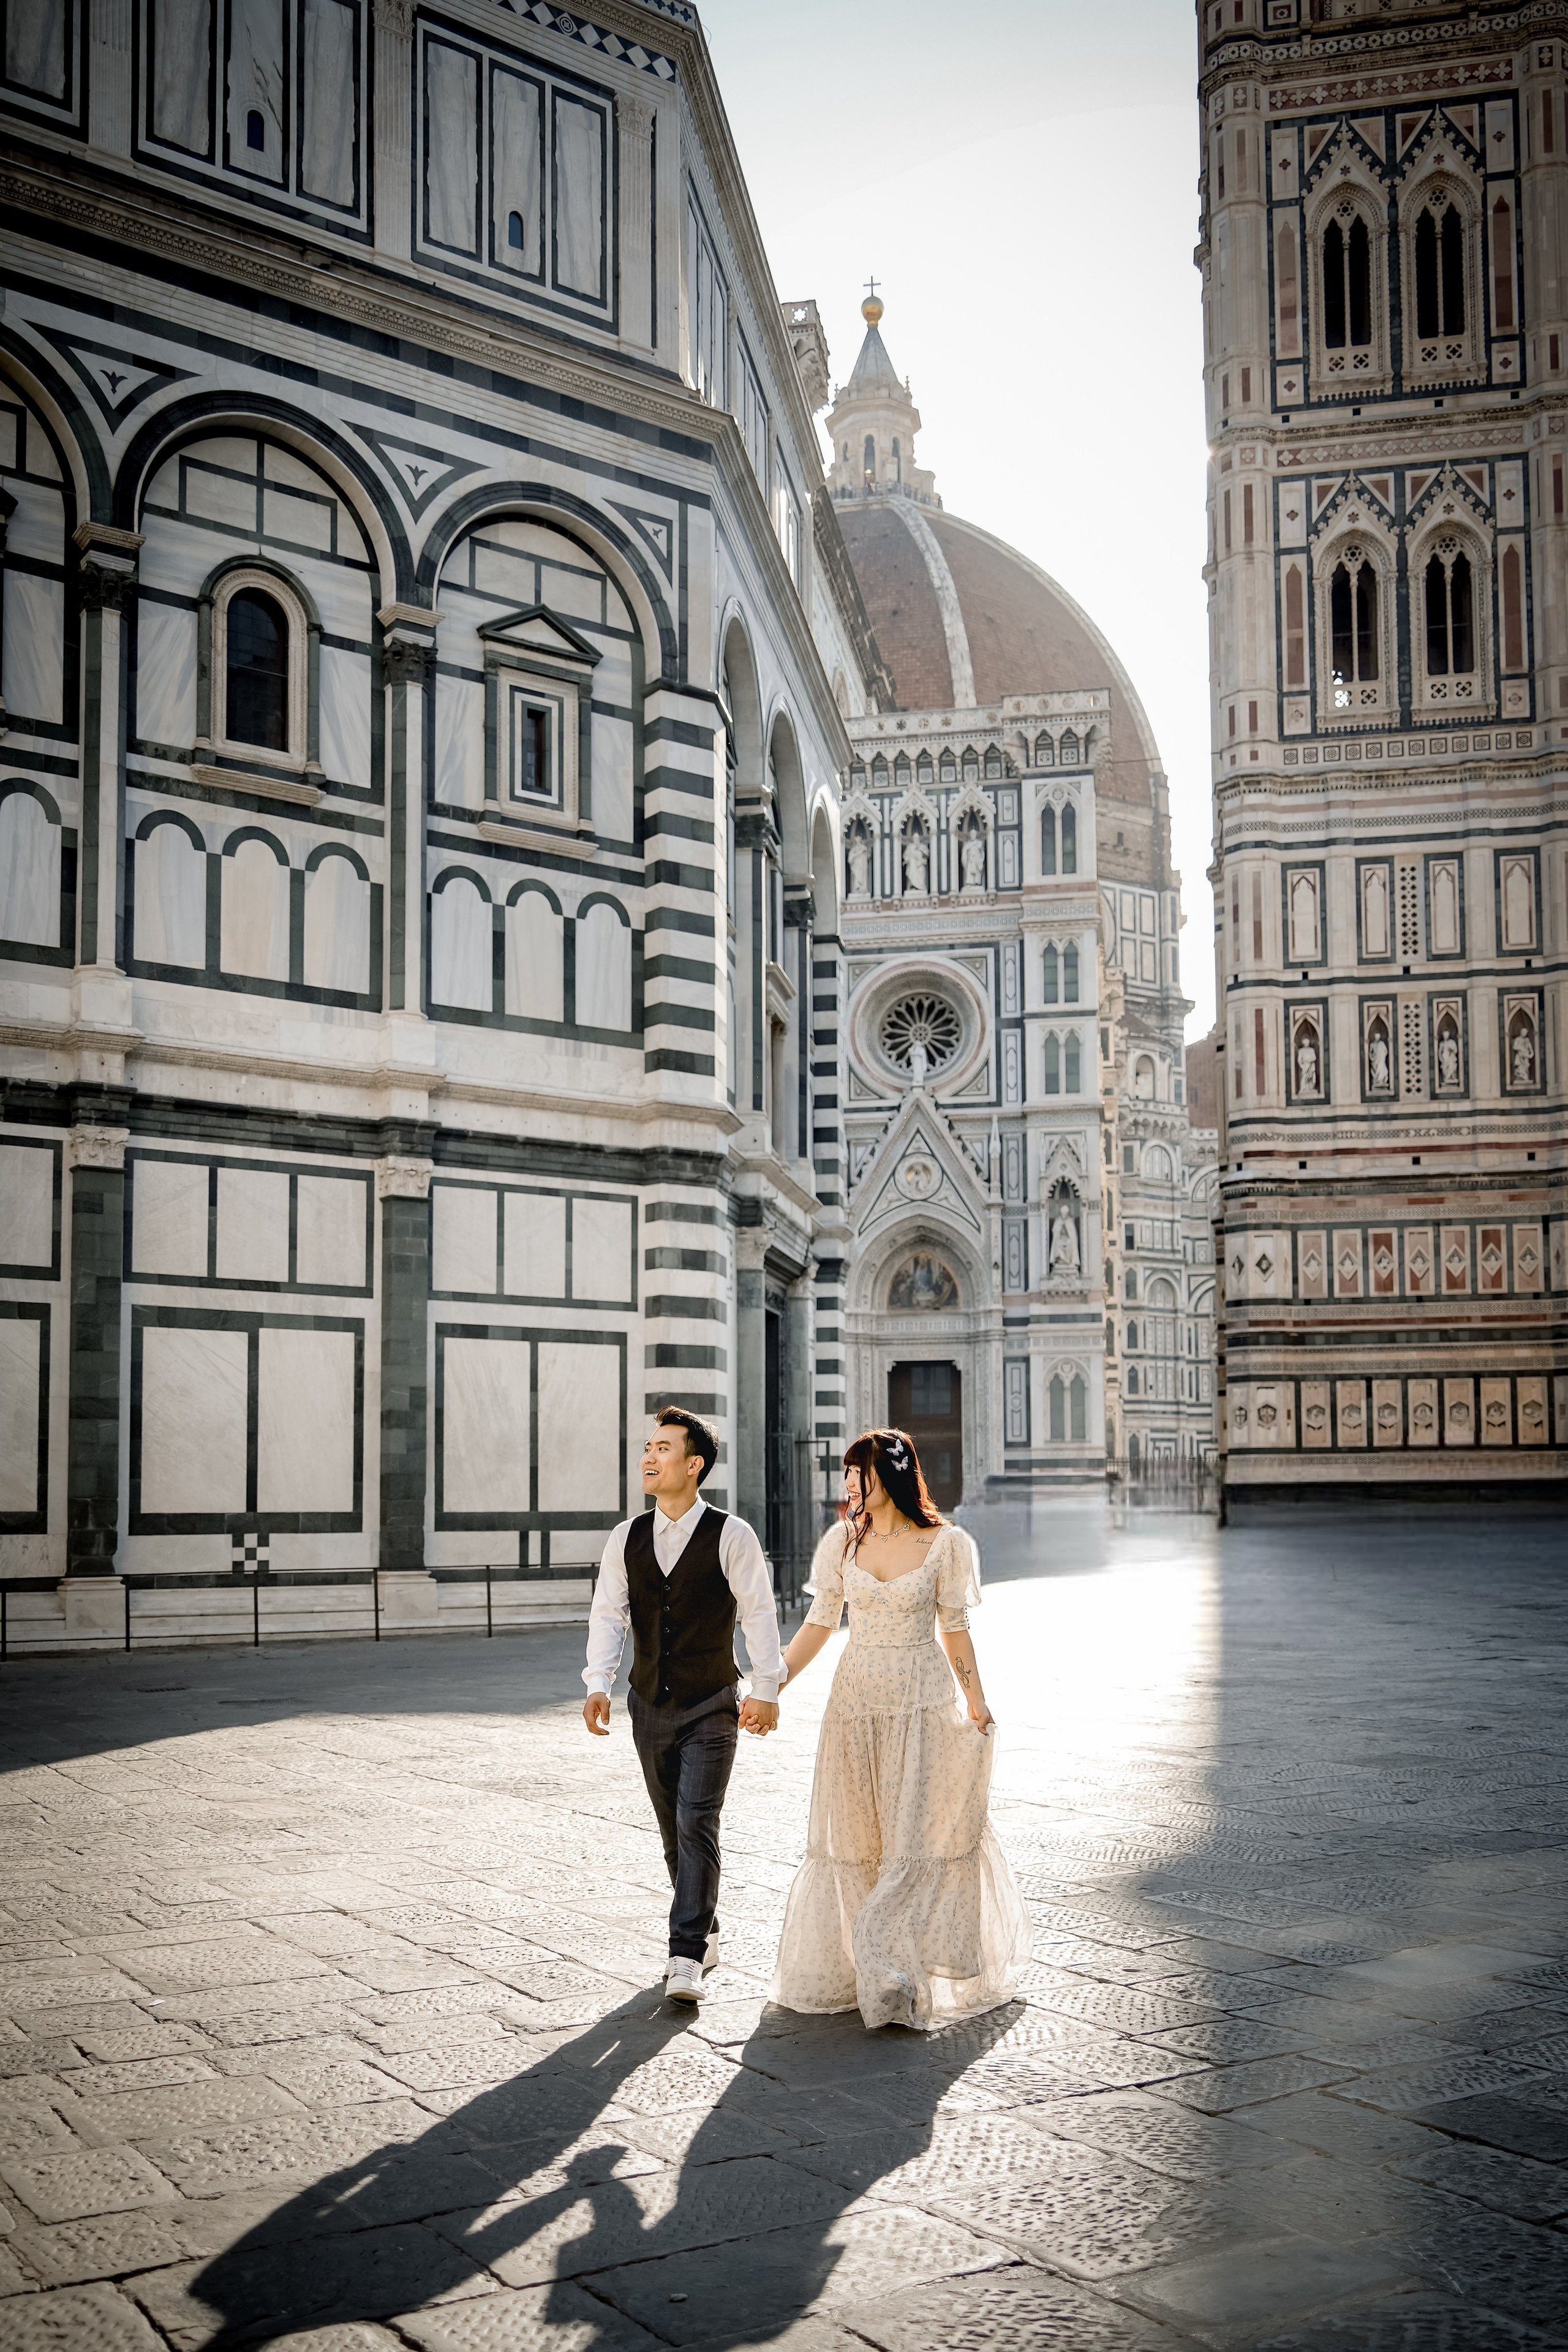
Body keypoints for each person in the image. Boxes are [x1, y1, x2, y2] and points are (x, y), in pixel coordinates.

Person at [771, 1428, 1029, 2031]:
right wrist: (772, 1684)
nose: (847, 1484)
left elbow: (955, 1627)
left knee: (914, 1835)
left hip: (921, 1702)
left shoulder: (946, 1543)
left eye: (854, 1471)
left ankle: (894, 1964)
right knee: (859, 1838)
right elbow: (817, 1622)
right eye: (844, 1474)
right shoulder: (841, 1542)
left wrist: (976, 1700)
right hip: (855, 1704)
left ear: (885, 1473)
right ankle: (875, 1968)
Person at [582, 1406, 786, 2005]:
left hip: (712, 1702)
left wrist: (766, 1690)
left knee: (698, 1823)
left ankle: (685, 1954)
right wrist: (599, 1682)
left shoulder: (732, 1534)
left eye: (664, 1448)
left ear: (694, 1465)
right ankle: (706, 1929)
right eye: (648, 1446)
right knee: (674, 1834)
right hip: (647, 1704)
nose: (650, 1457)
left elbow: (759, 1613)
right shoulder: (626, 1537)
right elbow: (608, 1613)